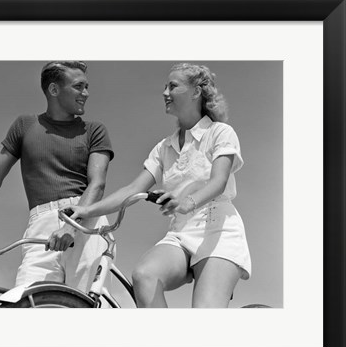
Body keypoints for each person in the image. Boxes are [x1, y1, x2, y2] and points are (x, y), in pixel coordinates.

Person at [64, 63, 251, 308]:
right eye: (165, 86)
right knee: (144, 276)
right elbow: (132, 190)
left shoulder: (220, 133)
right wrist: (85, 211)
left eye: (172, 86)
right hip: (181, 233)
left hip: (219, 231)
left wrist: (186, 202)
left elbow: (219, 181)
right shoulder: (164, 147)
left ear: (196, 92)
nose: (165, 92)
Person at [0, 61, 114, 302]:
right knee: (23, 301)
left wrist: (72, 225)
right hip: (40, 226)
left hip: (85, 221)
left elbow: (97, 184)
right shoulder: (24, 126)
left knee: (88, 304)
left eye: (86, 87)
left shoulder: (94, 130)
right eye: (79, 87)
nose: (86, 94)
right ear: (54, 90)